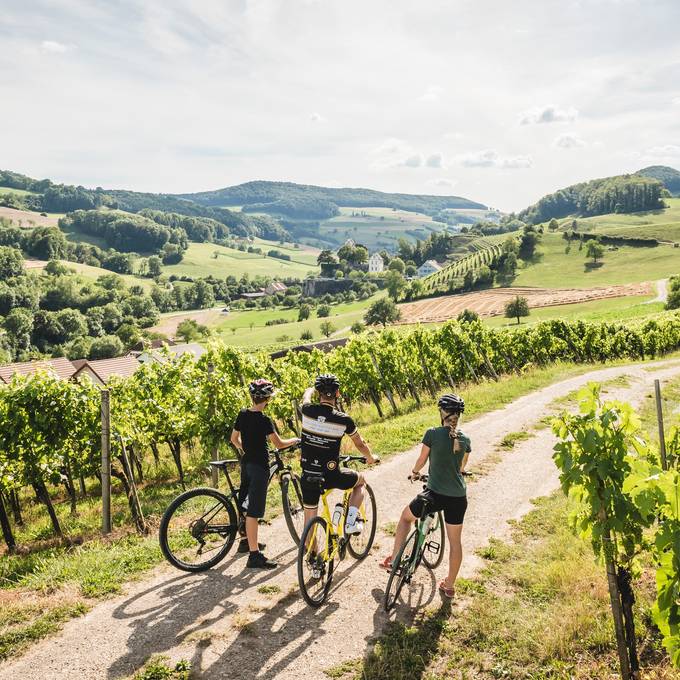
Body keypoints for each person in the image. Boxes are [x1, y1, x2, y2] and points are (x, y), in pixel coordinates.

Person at [381, 393, 471, 599]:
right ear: (459, 415)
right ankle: (449, 585)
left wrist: (414, 472)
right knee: (455, 542)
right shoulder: (465, 439)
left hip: (434, 495)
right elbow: (461, 467)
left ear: (442, 413)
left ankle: (395, 560)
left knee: (405, 518)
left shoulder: (432, 433)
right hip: (458, 497)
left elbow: (422, 460)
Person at [230, 378, 300, 569]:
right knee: (253, 512)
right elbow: (278, 444)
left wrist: (246, 448)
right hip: (260, 467)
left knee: (245, 504)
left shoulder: (242, 414)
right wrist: (294, 440)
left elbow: (233, 438)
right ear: (267, 398)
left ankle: (246, 541)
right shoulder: (264, 420)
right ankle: (254, 556)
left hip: (246, 464)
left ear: (252, 397)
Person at [299, 374, 379, 535]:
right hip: (331, 475)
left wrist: (309, 391)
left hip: (308, 474)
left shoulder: (306, 411)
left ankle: (312, 556)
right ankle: (350, 522)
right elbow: (359, 443)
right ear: (338, 393)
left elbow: (305, 399)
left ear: (318, 393)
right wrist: (370, 458)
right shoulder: (344, 420)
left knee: (309, 519)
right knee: (361, 481)